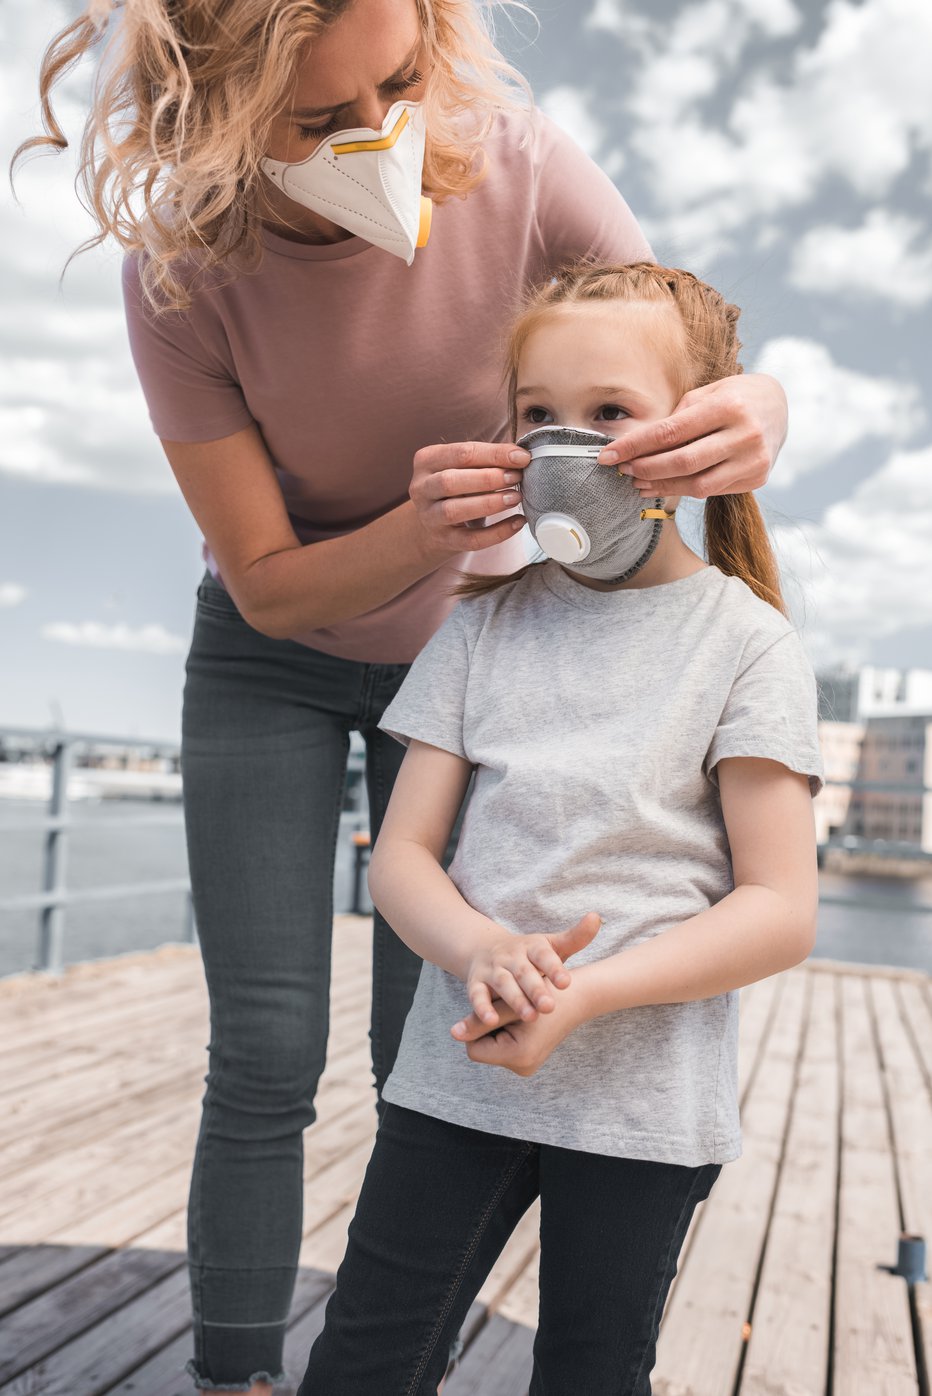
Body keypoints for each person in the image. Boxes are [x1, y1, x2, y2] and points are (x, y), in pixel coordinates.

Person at [19, 2, 793, 1391]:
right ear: (216, 127)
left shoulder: (517, 162)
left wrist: (766, 407)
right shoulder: (179, 281)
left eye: (401, 80)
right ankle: (241, 1370)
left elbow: (673, 346)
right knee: (263, 1048)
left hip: (459, 654)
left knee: (416, 1049)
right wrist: (420, 532)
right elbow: (265, 582)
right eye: (320, 123)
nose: (381, 134)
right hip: (272, 656)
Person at [295, 261, 825, 1395]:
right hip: (454, 1086)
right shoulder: (479, 624)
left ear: (694, 436)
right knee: (363, 1361)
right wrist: (478, 949)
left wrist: (583, 993)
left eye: (608, 415)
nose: (561, 444)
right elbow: (400, 853)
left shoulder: (746, 645)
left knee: (590, 1370)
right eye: (537, 415)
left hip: (643, 1110)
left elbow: (779, 909)